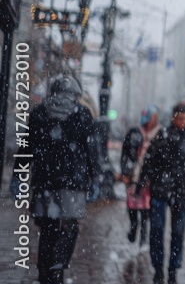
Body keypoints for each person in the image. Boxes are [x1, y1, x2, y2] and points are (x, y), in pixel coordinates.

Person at [28, 75, 101, 284]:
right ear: (75, 93)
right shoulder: (82, 114)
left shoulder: (39, 112)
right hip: (73, 183)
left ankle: (45, 271)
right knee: (69, 226)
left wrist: (18, 175)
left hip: (44, 182)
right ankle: (58, 267)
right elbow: (92, 150)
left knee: (47, 228)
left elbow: (27, 147)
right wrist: (95, 178)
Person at [139, 103, 185, 284]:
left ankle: (173, 269)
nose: (183, 122)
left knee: (178, 232)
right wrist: (142, 181)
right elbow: (149, 160)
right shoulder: (163, 135)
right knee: (157, 231)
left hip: (180, 191)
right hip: (160, 189)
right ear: (173, 118)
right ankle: (158, 269)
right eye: (180, 118)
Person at [120, 106, 162, 246]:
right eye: (152, 117)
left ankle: (143, 239)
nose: (153, 121)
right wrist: (125, 172)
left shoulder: (160, 134)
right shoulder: (134, 132)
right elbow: (125, 153)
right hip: (134, 174)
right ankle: (133, 228)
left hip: (149, 177)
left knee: (145, 209)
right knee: (132, 205)